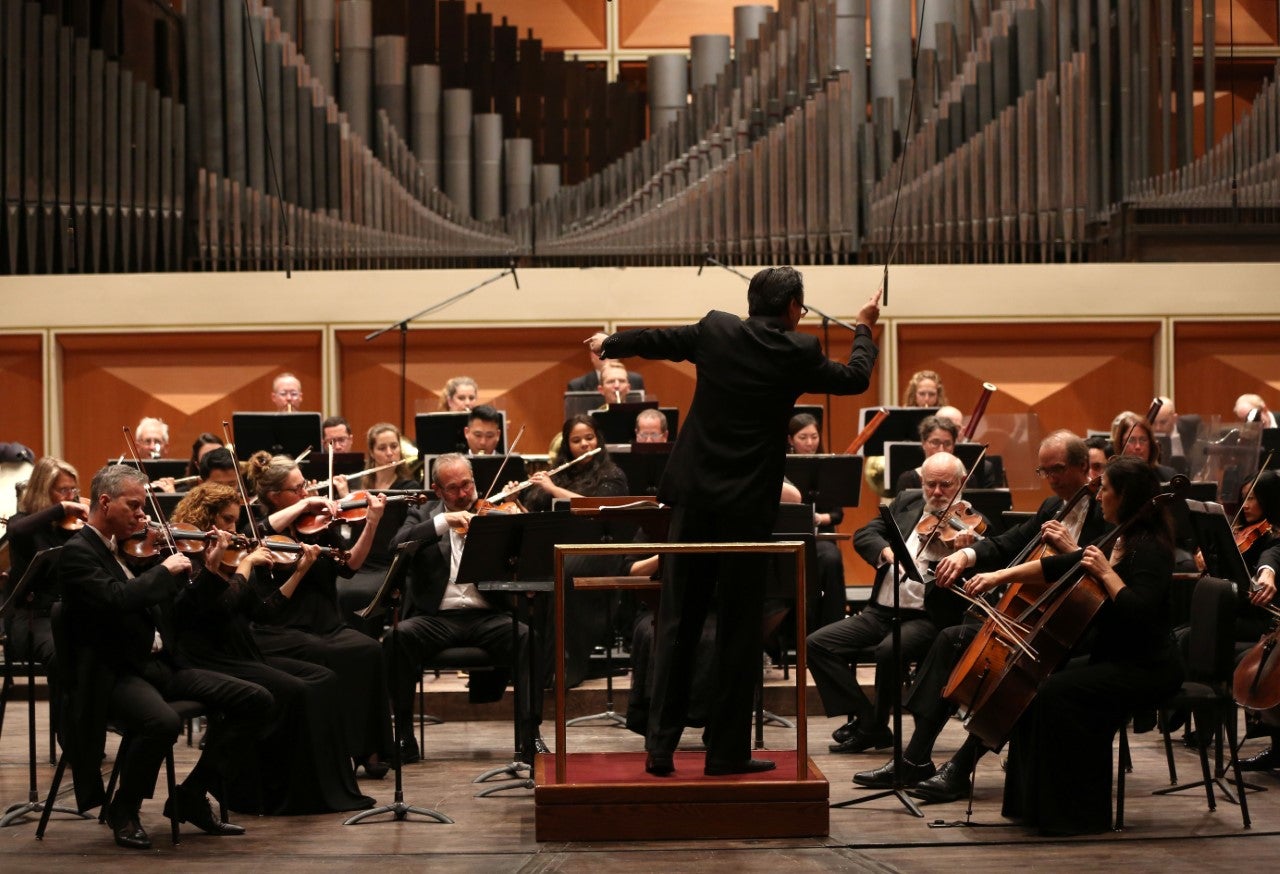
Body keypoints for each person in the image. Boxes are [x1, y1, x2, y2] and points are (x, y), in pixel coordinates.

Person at [587, 265, 881, 777]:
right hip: (747, 505)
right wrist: (863, 327)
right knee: (739, 629)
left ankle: (660, 748)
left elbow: (659, 340)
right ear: (793, 308)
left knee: (677, 621)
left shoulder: (717, 329)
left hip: (695, 498)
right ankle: (725, 752)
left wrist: (610, 343)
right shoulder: (799, 350)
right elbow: (855, 378)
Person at [855, 432, 1109, 800]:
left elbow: (1103, 571)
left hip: (1077, 630)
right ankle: (914, 758)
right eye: (1044, 471)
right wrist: (966, 555)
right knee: (951, 640)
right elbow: (1008, 542)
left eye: (1057, 469)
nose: (1051, 479)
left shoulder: (1106, 512)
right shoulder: (1054, 507)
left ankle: (961, 767)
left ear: (1083, 466)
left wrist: (1073, 549)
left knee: (1013, 673)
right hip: (1032, 620)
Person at [962, 455, 1182, 836]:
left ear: (1124, 496)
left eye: (1105, 489)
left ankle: (1074, 816)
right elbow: (1056, 567)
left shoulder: (1150, 549)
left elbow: (1141, 613)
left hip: (1148, 667)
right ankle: (1029, 807)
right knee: (1035, 686)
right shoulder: (1118, 537)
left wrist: (1107, 573)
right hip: (1114, 657)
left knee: (1057, 693)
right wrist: (997, 575)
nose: (1098, 496)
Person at [57, 464, 270, 849]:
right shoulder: (77, 554)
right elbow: (116, 600)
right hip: (115, 673)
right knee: (162, 722)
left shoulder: (130, 551)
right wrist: (163, 571)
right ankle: (125, 808)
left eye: (143, 507)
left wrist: (210, 570)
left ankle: (192, 794)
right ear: (105, 503)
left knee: (257, 699)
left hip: (159, 666)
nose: (143, 516)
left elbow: (181, 613)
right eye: (134, 506)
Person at [169, 483, 374, 814]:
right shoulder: (188, 561)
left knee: (325, 678)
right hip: (209, 657)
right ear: (206, 520)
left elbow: (265, 611)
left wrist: (299, 572)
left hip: (242, 650)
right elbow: (221, 607)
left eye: (235, 521)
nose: (235, 529)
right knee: (295, 691)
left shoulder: (231, 559)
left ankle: (321, 790)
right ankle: (274, 793)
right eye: (227, 520)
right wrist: (246, 566)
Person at [807, 452, 975, 754]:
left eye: (946, 485)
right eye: (930, 484)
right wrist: (885, 552)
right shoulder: (907, 502)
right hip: (880, 611)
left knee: (889, 650)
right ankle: (870, 720)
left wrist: (966, 553)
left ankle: (871, 727)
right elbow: (866, 534)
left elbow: (990, 559)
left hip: (926, 617)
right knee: (816, 644)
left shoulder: (972, 524)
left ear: (961, 482)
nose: (937, 492)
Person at [387, 453, 543, 763]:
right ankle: (403, 736)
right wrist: (444, 522)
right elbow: (397, 545)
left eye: (467, 485)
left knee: (528, 638)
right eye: (453, 488)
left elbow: (529, 553)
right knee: (396, 638)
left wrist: (514, 521)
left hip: (487, 615)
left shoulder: (492, 514)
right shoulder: (423, 514)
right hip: (436, 618)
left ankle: (530, 736)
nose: (463, 494)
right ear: (437, 490)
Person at [244, 453, 394, 778]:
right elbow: (260, 529)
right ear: (275, 496)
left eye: (305, 486)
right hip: (284, 627)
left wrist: (372, 523)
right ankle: (335, 750)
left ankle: (369, 748)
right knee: (326, 655)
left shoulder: (318, 527)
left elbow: (350, 565)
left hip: (326, 623)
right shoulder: (259, 530)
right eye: (297, 489)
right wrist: (304, 503)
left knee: (369, 650)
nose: (307, 493)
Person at [336, 422, 424, 632]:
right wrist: (345, 498)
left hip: (389, 563)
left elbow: (405, 531)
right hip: (361, 561)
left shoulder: (408, 489)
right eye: (382, 448)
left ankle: (370, 641)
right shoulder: (359, 487)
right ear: (372, 453)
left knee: (366, 594)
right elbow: (352, 528)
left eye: (394, 446)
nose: (390, 453)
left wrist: (350, 499)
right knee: (337, 589)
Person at [4, 456, 87, 670]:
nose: (71, 497)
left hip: (69, 614)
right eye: (63, 490)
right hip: (31, 618)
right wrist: (61, 508)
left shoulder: (73, 528)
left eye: (73, 490)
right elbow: (16, 530)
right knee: (62, 653)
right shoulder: (22, 523)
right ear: (43, 491)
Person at [786, 412, 847, 631]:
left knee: (831, 558)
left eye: (814, 437)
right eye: (803, 437)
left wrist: (818, 518)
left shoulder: (827, 465)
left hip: (820, 538)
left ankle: (833, 627)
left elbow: (837, 514)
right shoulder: (783, 466)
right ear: (790, 439)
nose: (810, 443)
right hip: (789, 537)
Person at [520, 414, 629, 512]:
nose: (584, 444)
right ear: (567, 446)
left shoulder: (612, 475)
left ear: (598, 440)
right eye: (576, 441)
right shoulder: (556, 475)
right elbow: (532, 519)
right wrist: (515, 500)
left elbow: (596, 507)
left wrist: (553, 489)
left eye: (589, 438)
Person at [1110, 410, 1178, 480]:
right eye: (1131, 440)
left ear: (1151, 444)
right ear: (1120, 445)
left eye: (1143, 440)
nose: (1138, 446)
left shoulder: (1169, 476)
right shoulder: (1111, 478)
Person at [568, 343, 644, 393]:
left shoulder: (635, 380)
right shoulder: (577, 385)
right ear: (592, 356)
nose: (606, 354)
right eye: (601, 351)